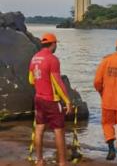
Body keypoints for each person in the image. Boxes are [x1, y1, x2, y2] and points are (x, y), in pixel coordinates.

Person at [28, 33, 72, 166]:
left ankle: (39, 160)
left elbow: (30, 80)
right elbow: (57, 82)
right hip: (51, 100)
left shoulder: (34, 58)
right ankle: (63, 162)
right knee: (59, 130)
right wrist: (68, 101)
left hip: (38, 98)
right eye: (56, 44)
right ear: (53, 44)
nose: (56, 46)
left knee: (39, 128)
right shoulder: (52, 59)